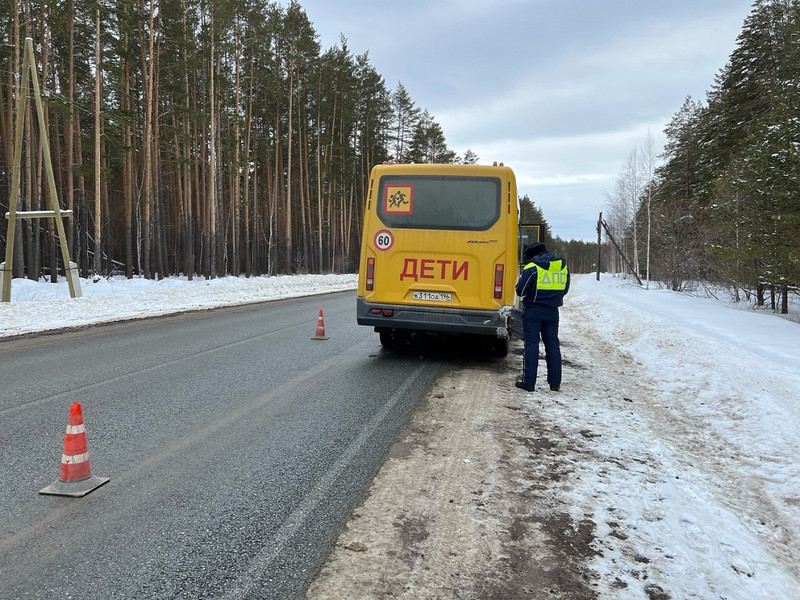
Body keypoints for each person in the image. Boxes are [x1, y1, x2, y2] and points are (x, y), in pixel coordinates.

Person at [514, 242, 570, 392]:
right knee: (552, 345)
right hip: (552, 312)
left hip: (533, 310)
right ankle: (555, 383)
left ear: (534, 255)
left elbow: (520, 291)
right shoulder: (563, 267)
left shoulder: (532, 268)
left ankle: (529, 382)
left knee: (531, 344)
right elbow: (564, 289)